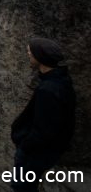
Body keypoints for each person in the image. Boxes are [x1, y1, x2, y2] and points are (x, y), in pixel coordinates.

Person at [10, 37, 76, 191]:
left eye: (30, 52)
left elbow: (44, 130)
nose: (28, 54)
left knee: (22, 187)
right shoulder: (61, 80)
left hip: (35, 153)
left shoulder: (49, 89)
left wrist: (25, 146)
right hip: (45, 150)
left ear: (40, 57)